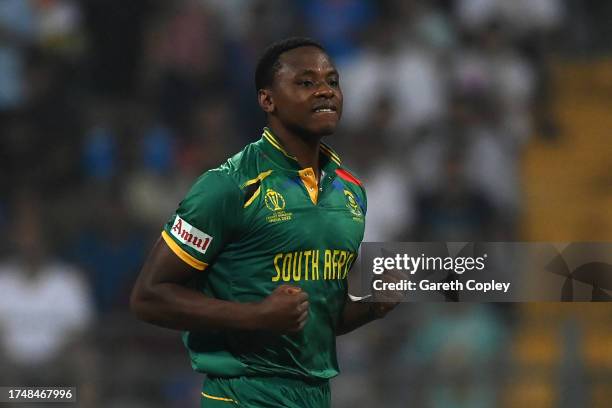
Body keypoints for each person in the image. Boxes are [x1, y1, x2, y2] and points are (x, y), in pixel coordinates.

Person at [130, 37, 397, 408]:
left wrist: (370, 308)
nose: (325, 91)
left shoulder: (351, 192)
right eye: (306, 82)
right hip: (242, 395)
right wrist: (257, 315)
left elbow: (314, 320)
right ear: (267, 100)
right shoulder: (228, 185)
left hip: (315, 397)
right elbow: (148, 296)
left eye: (332, 82)